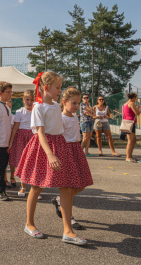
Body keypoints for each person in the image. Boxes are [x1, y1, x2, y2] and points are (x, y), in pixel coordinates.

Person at [15, 72, 90, 246]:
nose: (60, 90)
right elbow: (40, 133)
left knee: (66, 186)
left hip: (60, 145)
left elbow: (61, 127)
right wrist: (49, 154)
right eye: (57, 87)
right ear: (46, 88)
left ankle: (67, 231)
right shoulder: (38, 107)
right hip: (44, 147)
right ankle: (29, 223)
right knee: (36, 186)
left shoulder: (56, 106)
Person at [51, 87, 94, 232]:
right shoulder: (60, 118)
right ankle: (69, 218)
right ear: (64, 102)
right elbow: (56, 137)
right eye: (73, 103)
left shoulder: (75, 116)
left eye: (78, 103)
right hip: (66, 152)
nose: (76, 106)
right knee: (68, 188)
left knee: (81, 184)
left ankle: (58, 200)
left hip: (76, 151)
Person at [8, 90, 41, 198]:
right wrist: (11, 142)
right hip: (21, 139)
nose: (29, 102)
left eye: (32, 99)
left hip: (34, 137)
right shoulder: (19, 112)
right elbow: (15, 128)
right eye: (27, 99)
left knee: (34, 163)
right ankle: (22, 186)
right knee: (22, 163)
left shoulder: (37, 110)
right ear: (23, 100)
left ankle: (34, 188)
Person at [122, 93, 140, 162]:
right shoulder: (132, 103)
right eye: (136, 98)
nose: (136, 99)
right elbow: (137, 113)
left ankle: (130, 155)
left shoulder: (125, 104)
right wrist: (138, 108)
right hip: (129, 124)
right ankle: (128, 157)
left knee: (134, 140)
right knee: (130, 141)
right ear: (134, 98)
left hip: (129, 123)